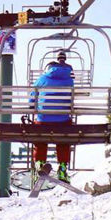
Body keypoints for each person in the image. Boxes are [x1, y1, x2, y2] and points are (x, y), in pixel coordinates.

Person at [32, 51, 74, 182]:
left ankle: (39, 163)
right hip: (62, 121)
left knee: (40, 136)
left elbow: (33, 98)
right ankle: (62, 168)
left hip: (43, 120)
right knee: (63, 139)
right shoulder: (69, 80)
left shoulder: (42, 79)